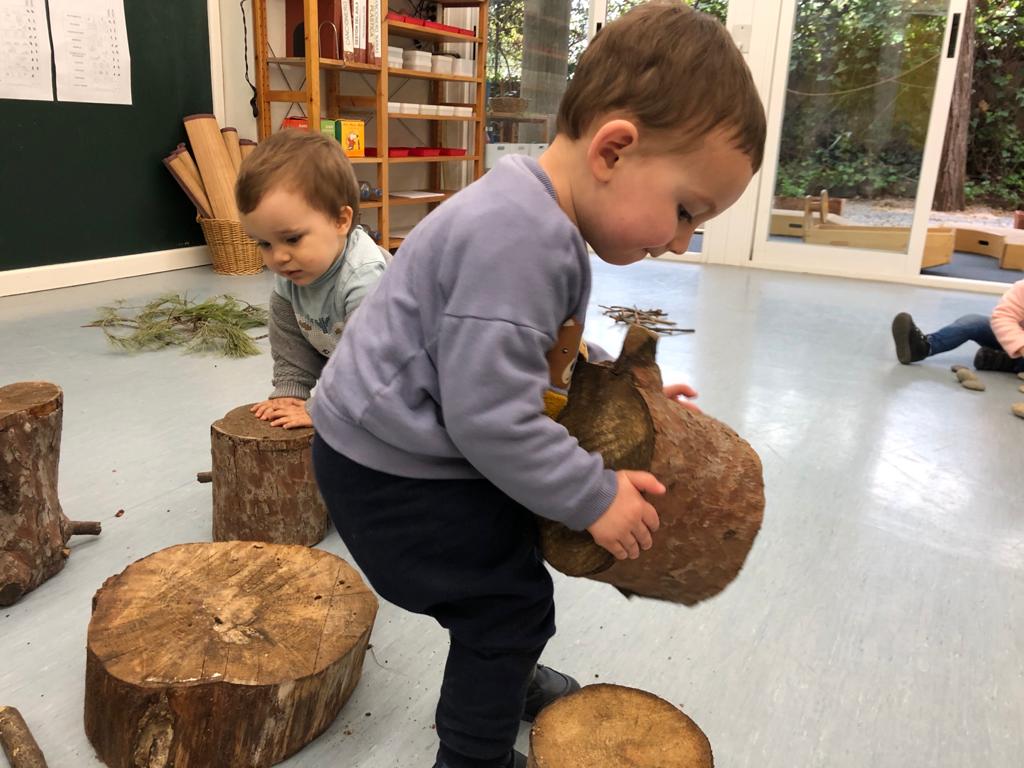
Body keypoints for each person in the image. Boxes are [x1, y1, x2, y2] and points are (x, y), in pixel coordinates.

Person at [310, 2, 766, 766]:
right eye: (686, 211)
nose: (681, 241)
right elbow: (490, 418)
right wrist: (594, 496)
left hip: (398, 446)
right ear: (614, 149)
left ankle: (504, 678)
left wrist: (626, 391)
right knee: (509, 606)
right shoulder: (520, 238)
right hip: (389, 475)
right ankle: (474, 754)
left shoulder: (533, 211)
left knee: (508, 569)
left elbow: (535, 348)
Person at [236, 130, 387, 429]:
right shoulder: (291, 275)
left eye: (292, 239)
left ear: (340, 221)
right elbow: (290, 340)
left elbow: (368, 364)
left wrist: (321, 409)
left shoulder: (364, 279)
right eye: (264, 243)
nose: (278, 257)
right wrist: (290, 390)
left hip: (404, 374)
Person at [891, 279, 1024, 373]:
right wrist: (1020, 345)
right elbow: (1003, 316)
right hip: (1016, 339)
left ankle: (1005, 361)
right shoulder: (1021, 288)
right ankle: (923, 347)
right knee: (972, 322)